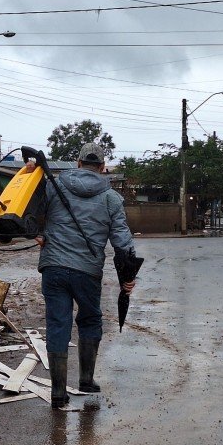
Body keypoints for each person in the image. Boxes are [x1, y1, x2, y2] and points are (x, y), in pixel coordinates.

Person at [30, 143, 136, 408]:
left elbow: (32, 213)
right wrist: (128, 276)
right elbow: (121, 239)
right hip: (87, 271)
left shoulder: (54, 186)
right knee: (89, 320)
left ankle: (57, 392)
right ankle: (86, 380)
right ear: (102, 168)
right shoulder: (111, 198)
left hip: (53, 268)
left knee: (57, 323)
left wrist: (39, 233)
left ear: (77, 163)